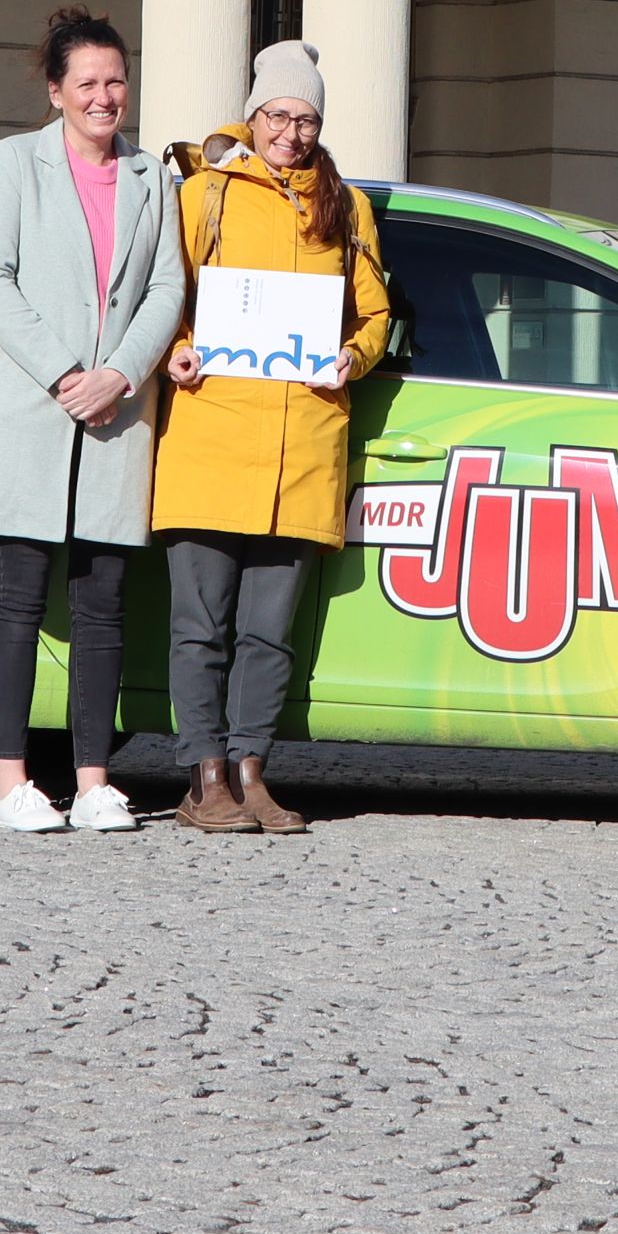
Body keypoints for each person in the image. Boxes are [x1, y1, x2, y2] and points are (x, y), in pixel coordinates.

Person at [0, 4, 185, 835]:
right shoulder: (14, 164)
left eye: (115, 79)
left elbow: (167, 286)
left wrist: (121, 372)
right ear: (55, 91)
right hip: (32, 410)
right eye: (86, 81)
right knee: (14, 598)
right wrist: (65, 371)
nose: (103, 95)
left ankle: (92, 780)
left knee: (102, 601)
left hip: (117, 415)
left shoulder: (156, 178)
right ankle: (13, 780)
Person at [152, 41, 396, 836]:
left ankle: (252, 771)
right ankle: (204, 779)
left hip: (300, 448)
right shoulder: (205, 193)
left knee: (268, 634)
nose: (292, 131)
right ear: (253, 115)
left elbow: (374, 313)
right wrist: (174, 347)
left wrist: (350, 358)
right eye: (279, 115)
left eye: (308, 118)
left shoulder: (345, 205)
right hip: (210, 438)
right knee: (200, 627)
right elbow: (161, 296)